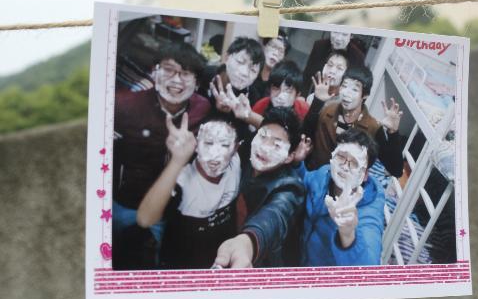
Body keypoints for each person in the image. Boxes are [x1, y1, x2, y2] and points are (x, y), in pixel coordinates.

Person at [112, 41, 211, 269]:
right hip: (124, 204)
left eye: (185, 73)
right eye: (168, 70)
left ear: (197, 83)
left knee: (155, 261)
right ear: (154, 72)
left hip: (168, 209)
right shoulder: (124, 105)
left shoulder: (202, 108)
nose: (176, 80)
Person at [136, 114, 241, 269]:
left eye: (225, 145)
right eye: (208, 143)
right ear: (196, 145)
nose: (215, 153)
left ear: (235, 148)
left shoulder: (236, 161)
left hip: (222, 257)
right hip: (183, 263)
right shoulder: (183, 179)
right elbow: (145, 219)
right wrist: (177, 160)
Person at [213, 107, 305, 268]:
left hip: (263, 262)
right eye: (262, 136)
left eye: (277, 145)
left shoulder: (290, 187)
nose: (264, 147)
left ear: (289, 156)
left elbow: (275, 216)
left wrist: (248, 243)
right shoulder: (246, 155)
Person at [294, 129, 385, 266]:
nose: (345, 167)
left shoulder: (368, 212)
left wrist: (348, 235)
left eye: (354, 163)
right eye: (341, 157)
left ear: (365, 175)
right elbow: (305, 182)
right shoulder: (325, 173)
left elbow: (368, 268)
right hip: (300, 257)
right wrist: (297, 164)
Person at [303, 65, 405, 177]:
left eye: (355, 89)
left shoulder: (372, 127)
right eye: (344, 86)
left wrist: (393, 132)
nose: (347, 93)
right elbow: (304, 137)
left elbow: (396, 170)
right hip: (314, 178)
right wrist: (317, 102)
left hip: (345, 184)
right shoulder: (327, 110)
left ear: (365, 95)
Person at [204, 36, 265, 109]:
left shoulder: (253, 97)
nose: (244, 73)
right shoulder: (206, 74)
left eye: (253, 70)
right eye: (240, 62)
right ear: (227, 57)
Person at [301, 31, 365, 96]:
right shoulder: (319, 46)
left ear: (351, 36)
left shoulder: (358, 57)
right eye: (335, 32)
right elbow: (308, 73)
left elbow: (353, 84)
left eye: (344, 34)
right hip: (316, 90)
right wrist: (303, 95)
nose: (338, 38)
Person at [250, 30, 291, 100]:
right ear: (264, 46)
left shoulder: (279, 85)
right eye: (273, 46)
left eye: (281, 51)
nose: (275, 53)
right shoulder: (249, 70)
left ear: (283, 58)